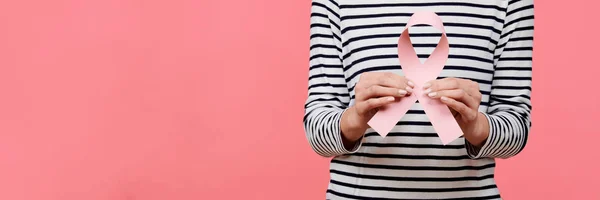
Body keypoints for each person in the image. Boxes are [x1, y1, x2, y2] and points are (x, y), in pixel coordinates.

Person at [303, 0, 533, 199]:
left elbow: (516, 129)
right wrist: (357, 117)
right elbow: (317, 135)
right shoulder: (336, 3)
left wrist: (476, 125)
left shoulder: (509, 4)